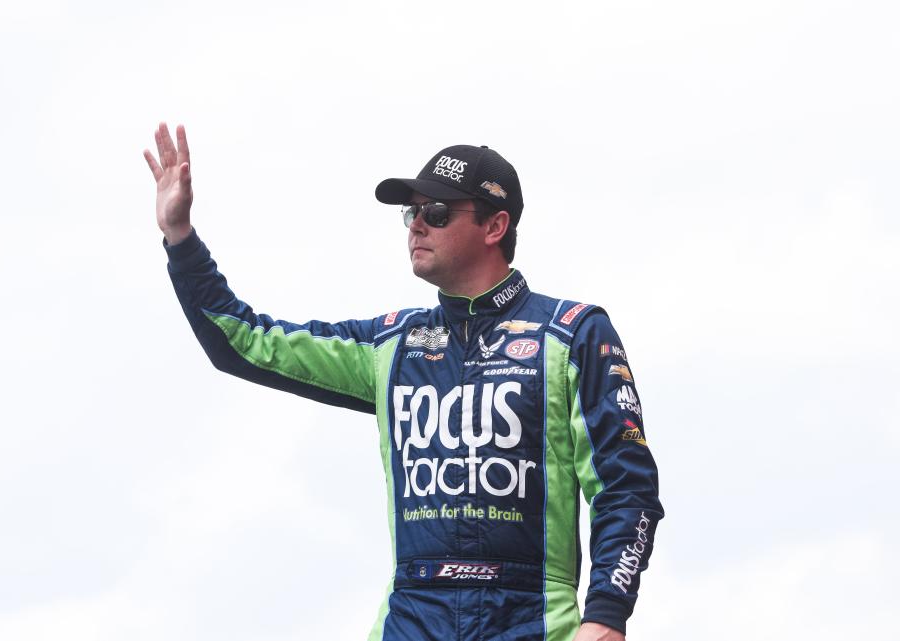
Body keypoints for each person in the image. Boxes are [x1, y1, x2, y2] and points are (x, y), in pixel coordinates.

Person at [144, 122, 663, 641]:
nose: (417, 225)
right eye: (411, 213)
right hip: (413, 616)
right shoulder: (390, 345)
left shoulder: (572, 335)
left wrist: (606, 614)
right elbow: (246, 342)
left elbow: (627, 488)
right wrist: (180, 238)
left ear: (495, 226)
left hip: (531, 616)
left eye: (436, 213)